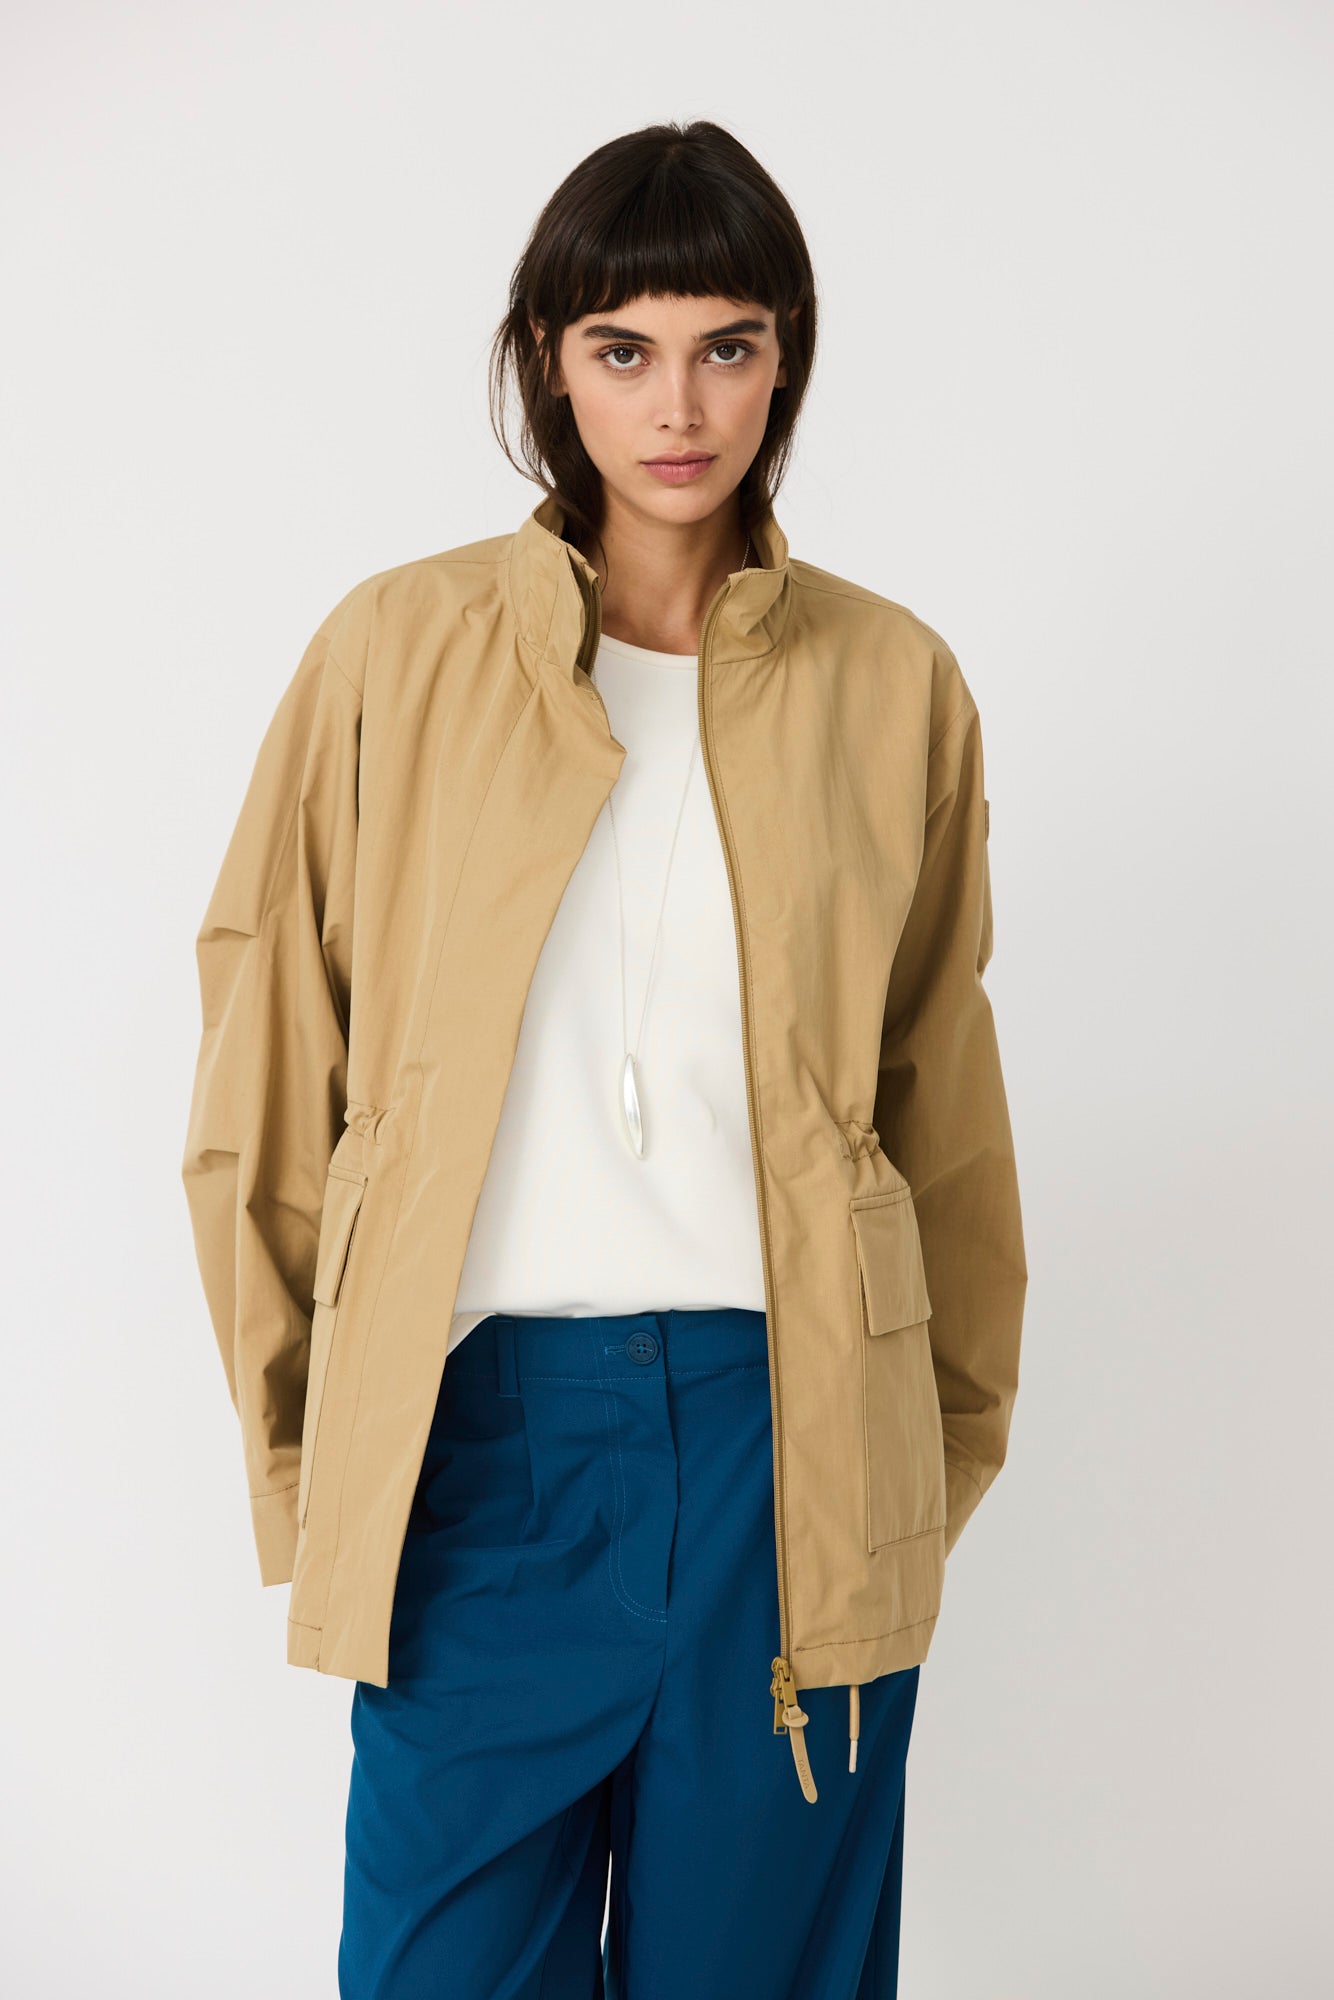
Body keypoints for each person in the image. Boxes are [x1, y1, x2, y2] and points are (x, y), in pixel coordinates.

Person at [180, 118, 1027, 1999]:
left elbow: (940, 1100)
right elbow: (269, 1059)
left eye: (728, 345)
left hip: (785, 1441)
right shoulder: (395, 653)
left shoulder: (892, 682)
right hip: (476, 1450)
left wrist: (916, 1461)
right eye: (622, 348)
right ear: (547, 363)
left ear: (785, 360)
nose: (678, 405)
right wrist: (312, 1461)